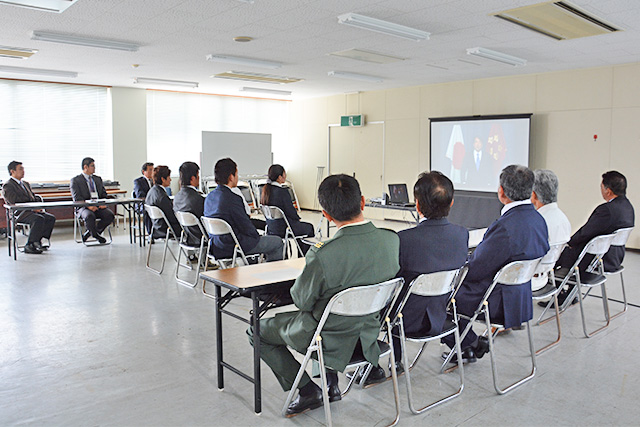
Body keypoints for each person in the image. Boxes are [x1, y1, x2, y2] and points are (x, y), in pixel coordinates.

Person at [247, 174, 400, 417]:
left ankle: (308, 391)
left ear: (325, 214)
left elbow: (301, 301)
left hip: (328, 338)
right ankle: (345, 378)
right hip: (368, 334)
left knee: (257, 330)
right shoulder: (391, 241)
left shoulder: (322, 254)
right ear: (362, 202)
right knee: (329, 310)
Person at [442, 165, 549, 363]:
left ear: (501, 192)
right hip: (521, 296)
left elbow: (476, 269)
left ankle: (468, 345)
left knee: (440, 297)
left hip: (497, 300)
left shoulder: (505, 227)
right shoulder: (538, 220)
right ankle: (470, 344)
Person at [552, 171, 634, 306]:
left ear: (608, 191)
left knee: (560, 253)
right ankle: (569, 294)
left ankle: (559, 295)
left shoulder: (607, 210)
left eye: (601, 187)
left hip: (599, 259)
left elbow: (586, 232)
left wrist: (569, 242)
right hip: (615, 257)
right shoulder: (627, 207)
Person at [204, 158, 283, 262]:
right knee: (277, 242)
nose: (237, 177)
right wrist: (256, 236)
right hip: (234, 246)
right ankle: (272, 277)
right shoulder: (233, 198)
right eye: (237, 174)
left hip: (216, 245)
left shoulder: (209, 197)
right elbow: (246, 226)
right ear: (231, 177)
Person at [2, 161, 56, 254]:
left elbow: (33, 197)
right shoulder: (8, 185)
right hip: (19, 213)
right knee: (38, 219)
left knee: (50, 218)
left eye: (23, 169)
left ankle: (37, 240)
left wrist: (37, 206)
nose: (23, 171)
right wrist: (32, 208)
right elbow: (15, 202)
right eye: (20, 169)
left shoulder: (26, 184)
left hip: (32, 211)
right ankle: (30, 245)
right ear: (12, 171)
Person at [530, 169, 571, 291]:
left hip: (527, 280)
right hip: (546, 277)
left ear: (534, 195)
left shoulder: (537, 222)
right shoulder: (564, 219)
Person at [260, 164, 314, 254]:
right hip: (284, 228)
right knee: (308, 228)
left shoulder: (265, 191)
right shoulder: (282, 191)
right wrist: (298, 218)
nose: (285, 176)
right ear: (279, 177)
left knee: (300, 228)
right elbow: (290, 210)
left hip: (271, 228)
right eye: (284, 174)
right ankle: (303, 255)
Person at [70, 157, 114, 244]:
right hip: (84, 207)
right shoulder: (76, 180)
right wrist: (89, 206)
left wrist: (103, 203)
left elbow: (103, 194)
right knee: (89, 216)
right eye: (92, 166)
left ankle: (91, 233)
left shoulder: (97, 179)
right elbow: (77, 198)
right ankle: (95, 235)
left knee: (110, 215)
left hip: (98, 205)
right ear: (85, 167)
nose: (94, 168)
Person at [145, 165, 181, 240]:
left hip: (156, 227)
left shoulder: (151, 192)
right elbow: (172, 217)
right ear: (163, 179)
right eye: (168, 177)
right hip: (166, 229)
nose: (170, 180)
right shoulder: (162, 197)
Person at [173, 161, 204, 245]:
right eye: (198, 175)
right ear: (193, 178)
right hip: (201, 238)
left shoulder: (177, 197)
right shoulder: (198, 199)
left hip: (187, 236)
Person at [133, 162, 154, 233]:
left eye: (153, 170)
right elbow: (140, 195)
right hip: (143, 204)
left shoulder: (155, 181)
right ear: (143, 171)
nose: (152, 172)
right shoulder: (138, 181)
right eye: (150, 170)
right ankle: (150, 233)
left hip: (154, 203)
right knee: (147, 210)